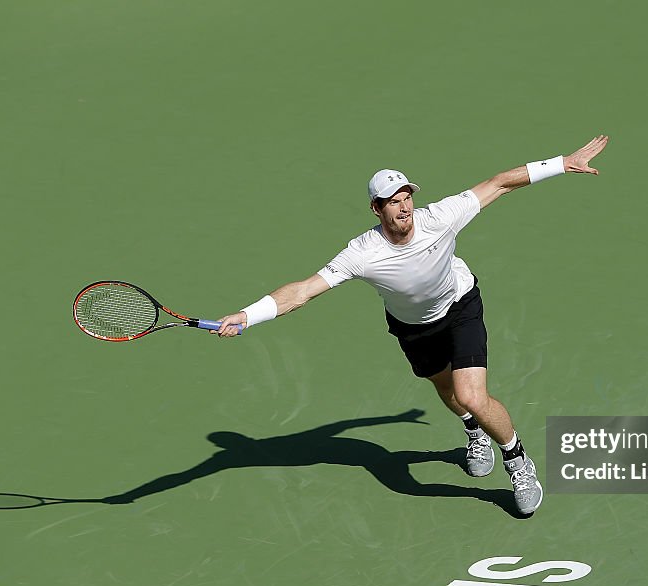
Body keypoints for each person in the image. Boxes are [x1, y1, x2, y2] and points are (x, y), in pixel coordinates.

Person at [215, 135, 609, 515]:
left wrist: (562, 163)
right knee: (445, 389)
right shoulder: (362, 253)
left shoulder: (440, 217)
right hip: (413, 327)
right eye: (393, 202)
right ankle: (474, 431)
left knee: (470, 394)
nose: (404, 208)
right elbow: (301, 292)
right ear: (376, 209)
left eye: (407, 198)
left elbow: (499, 184)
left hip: (459, 307)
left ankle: (517, 460)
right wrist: (248, 315)